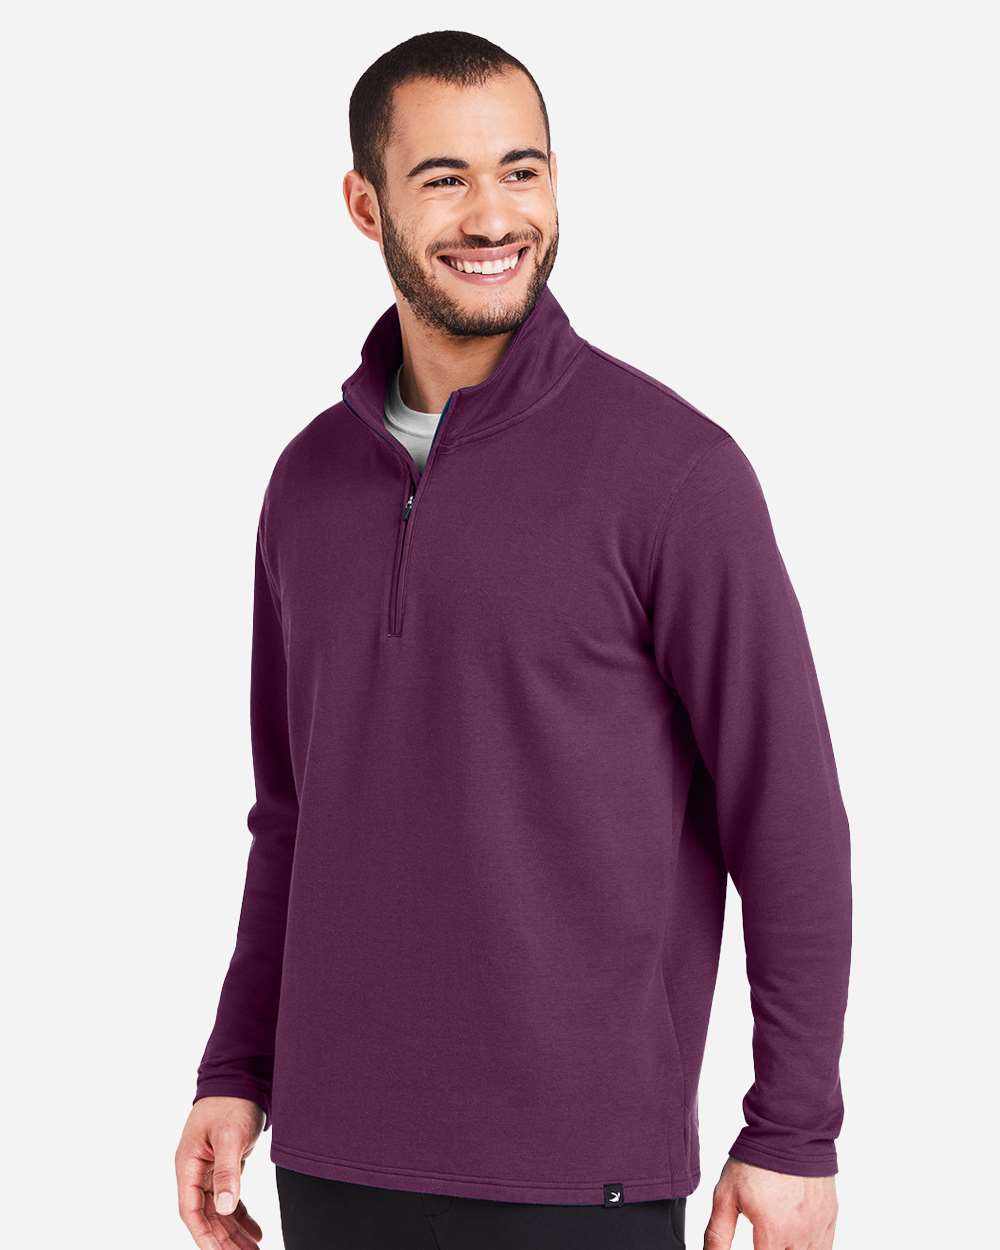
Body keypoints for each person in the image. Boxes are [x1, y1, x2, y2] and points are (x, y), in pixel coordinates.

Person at [175, 29, 852, 1250]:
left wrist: (793, 1129)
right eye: (445, 178)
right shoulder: (306, 483)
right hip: (333, 1158)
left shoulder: (674, 473)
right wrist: (237, 1066)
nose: (493, 216)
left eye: (521, 171)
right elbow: (293, 814)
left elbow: (787, 817)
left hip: (579, 1175)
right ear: (365, 205)